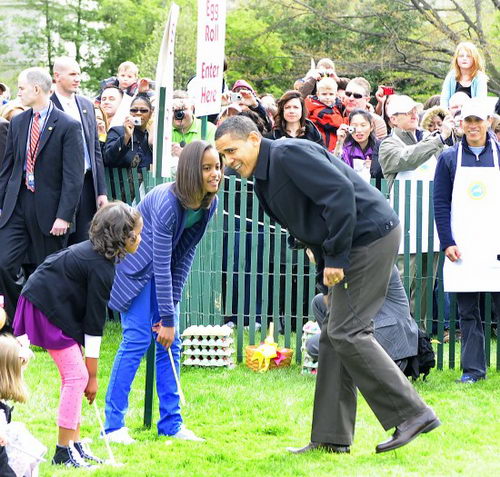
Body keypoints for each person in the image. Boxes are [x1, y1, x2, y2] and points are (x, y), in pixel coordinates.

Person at [215, 115, 439, 455]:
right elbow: (311, 226)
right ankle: (331, 437)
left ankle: (414, 414)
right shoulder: (263, 178)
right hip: (351, 243)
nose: (229, 161)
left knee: (349, 331)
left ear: (254, 139)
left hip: (369, 237)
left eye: (232, 150)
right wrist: (326, 274)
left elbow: (339, 195)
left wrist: (336, 259)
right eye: (223, 155)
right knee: (334, 332)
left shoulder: (289, 154)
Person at [104, 140, 221, 444]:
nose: (215, 174)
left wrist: (172, 311)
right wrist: (166, 318)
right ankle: (113, 426)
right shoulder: (168, 202)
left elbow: (184, 255)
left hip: (162, 271)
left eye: (217, 167)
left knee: (171, 343)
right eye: (207, 168)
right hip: (137, 269)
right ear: (190, 171)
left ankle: (171, 424)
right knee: (138, 339)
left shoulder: (209, 203)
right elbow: (159, 260)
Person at [12, 202, 143, 468]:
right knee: (77, 376)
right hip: (44, 304)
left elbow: (87, 318)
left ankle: (74, 444)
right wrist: (92, 376)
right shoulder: (101, 267)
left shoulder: (100, 260)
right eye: (136, 234)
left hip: (58, 306)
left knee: (75, 376)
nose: (140, 239)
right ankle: (63, 450)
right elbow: (94, 323)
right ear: (121, 236)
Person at [0, 67, 84, 321]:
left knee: (49, 271)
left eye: (22, 87)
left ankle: (51, 328)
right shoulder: (18, 121)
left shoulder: (68, 125)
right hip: (17, 205)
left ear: (36, 89)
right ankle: (19, 323)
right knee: (4, 262)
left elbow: (74, 176)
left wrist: (64, 216)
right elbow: (8, 169)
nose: (18, 93)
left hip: (50, 210)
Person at [433, 99, 500, 384]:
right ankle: (473, 371)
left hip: (495, 246)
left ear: (488, 122)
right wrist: (447, 241)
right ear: (461, 125)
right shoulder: (448, 158)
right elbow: (440, 203)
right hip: (462, 247)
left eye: (477, 121)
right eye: (467, 122)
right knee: (468, 311)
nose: (473, 126)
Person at [379, 95, 455, 325]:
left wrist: (452, 137)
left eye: (415, 110)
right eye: (407, 112)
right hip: (405, 228)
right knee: (402, 284)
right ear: (393, 119)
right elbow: (407, 159)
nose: (414, 114)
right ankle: (396, 331)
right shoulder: (388, 144)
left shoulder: (428, 141)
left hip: (430, 227)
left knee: (425, 286)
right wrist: (439, 138)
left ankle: (418, 335)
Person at [306, 266, 418, 370]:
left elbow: (351, 296)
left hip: (387, 331)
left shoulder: (376, 258)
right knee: (318, 302)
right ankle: (341, 352)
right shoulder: (360, 254)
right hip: (369, 321)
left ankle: (376, 365)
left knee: (314, 345)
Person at [51, 57, 108, 244]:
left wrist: (101, 191)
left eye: (79, 74)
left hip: (87, 185)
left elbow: (95, 150)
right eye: (72, 74)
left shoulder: (86, 104)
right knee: (61, 246)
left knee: (85, 244)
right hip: (60, 188)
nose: (78, 78)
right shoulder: (47, 107)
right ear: (57, 76)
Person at [104, 94, 153, 172]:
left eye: (143, 110)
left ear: (150, 114)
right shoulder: (117, 131)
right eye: (134, 110)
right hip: (121, 183)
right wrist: (126, 137)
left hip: (147, 183)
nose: (138, 113)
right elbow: (108, 159)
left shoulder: (150, 138)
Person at [334, 108, 383, 185]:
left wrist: (375, 166)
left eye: (363, 125)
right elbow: (333, 168)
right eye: (354, 125)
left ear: (371, 127)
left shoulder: (381, 147)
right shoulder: (344, 148)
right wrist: (339, 142)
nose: (359, 130)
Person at [440, 42, 488, 109]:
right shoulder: (451, 76)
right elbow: (444, 100)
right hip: (451, 114)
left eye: (468, 56)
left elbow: (480, 102)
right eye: (461, 56)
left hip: (472, 115)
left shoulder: (480, 78)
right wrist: (445, 114)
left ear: (474, 59)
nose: (464, 58)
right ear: (456, 59)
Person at [305, 77, 346, 152]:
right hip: (323, 148)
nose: (327, 97)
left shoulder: (335, 106)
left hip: (332, 146)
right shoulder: (318, 110)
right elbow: (337, 123)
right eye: (324, 94)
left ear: (336, 95)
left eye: (331, 94)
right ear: (318, 94)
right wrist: (351, 118)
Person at [171, 90, 216, 159]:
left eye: (183, 109)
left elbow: (212, 158)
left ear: (192, 108)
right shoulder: (164, 128)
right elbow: (152, 142)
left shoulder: (208, 128)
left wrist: (184, 155)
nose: (178, 114)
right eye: (174, 110)